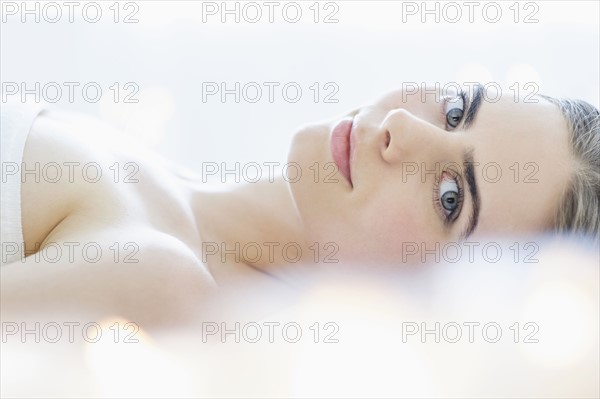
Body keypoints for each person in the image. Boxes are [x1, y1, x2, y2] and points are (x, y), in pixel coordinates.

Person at [1, 84, 598, 325]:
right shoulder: (175, 187)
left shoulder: (164, 284)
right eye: (454, 110)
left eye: (450, 197)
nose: (397, 128)